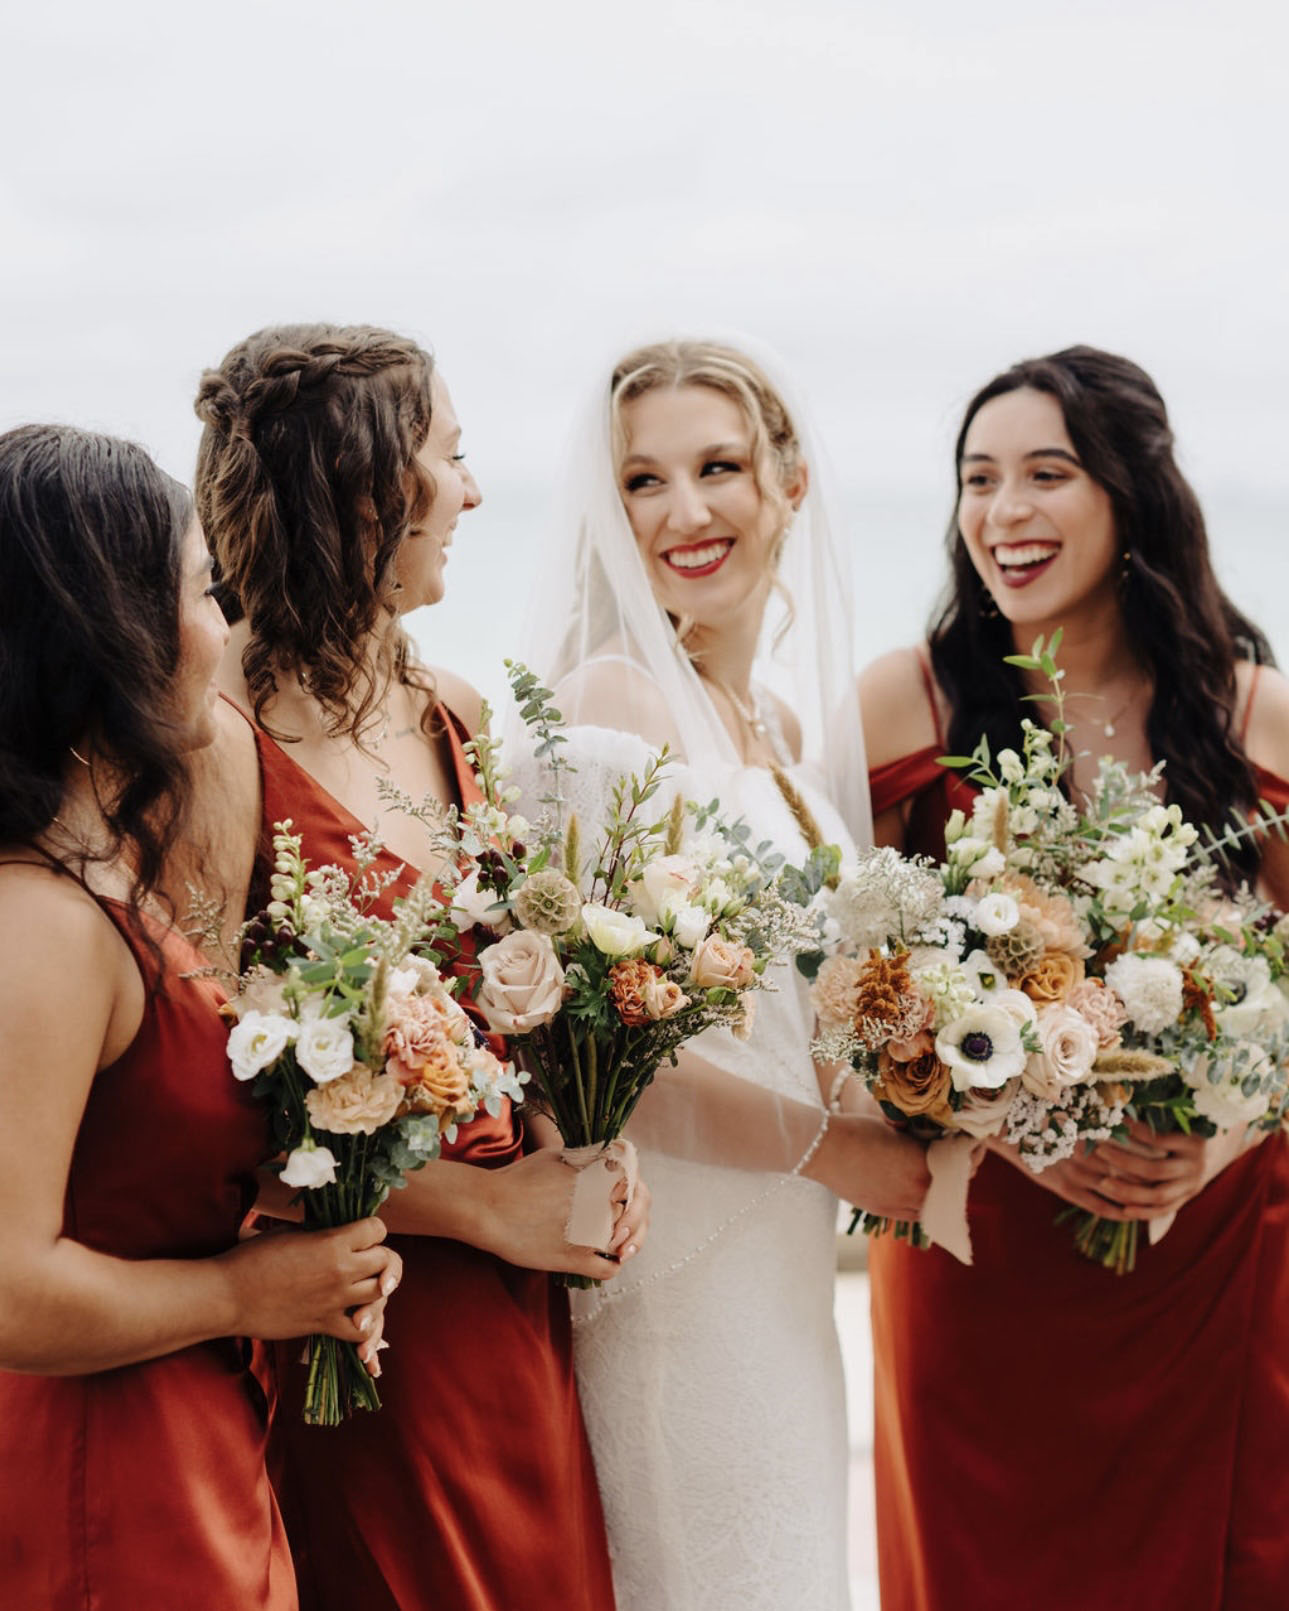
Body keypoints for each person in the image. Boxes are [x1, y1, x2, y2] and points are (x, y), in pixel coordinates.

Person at [193, 323, 641, 1611]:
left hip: (518, 1308)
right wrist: (482, 1208)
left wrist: (584, 1144)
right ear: (367, 487)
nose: (476, 491)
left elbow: (513, 982)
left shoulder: (457, 709)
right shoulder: (217, 739)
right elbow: (206, 1103)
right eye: (452, 457)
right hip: (360, 1305)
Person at [860, 345, 1289, 1611]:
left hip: (1216, 1238)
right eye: (975, 478)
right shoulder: (908, 703)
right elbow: (838, 988)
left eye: (1045, 473)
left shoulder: (1250, 713)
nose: (1002, 512)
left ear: (1129, 492)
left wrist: (1215, 1145)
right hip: (979, 1247)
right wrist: (1014, 1127)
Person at [518, 337, 931, 1610]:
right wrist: (839, 1149)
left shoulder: (791, 741)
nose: (684, 513)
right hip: (673, 1267)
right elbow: (592, 1063)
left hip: (778, 1268)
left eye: (717, 467)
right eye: (642, 482)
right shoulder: (608, 706)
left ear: (788, 482)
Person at [0, 423, 400, 1611]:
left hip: (188, 1455)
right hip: (99, 1489)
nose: (223, 631)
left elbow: (125, 1172)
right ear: (106, 629)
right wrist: (243, 1294)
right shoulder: (43, 923)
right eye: (199, 592)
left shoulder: (108, 877)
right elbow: (10, 1287)